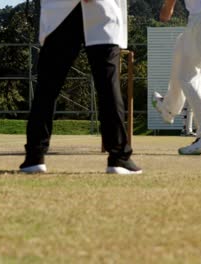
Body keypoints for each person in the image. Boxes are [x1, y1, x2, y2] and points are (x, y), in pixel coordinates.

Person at [20, 0, 142, 174]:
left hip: (60, 11)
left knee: (47, 88)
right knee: (108, 86)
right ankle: (118, 157)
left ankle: (34, 157)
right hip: (102, 10)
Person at [151, 0, 201, 155]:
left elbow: (167, 11)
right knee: (181, 46)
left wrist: (167, 9)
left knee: (189, 77)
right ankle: (168, 108)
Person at [179, 56, 201, 137]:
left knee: (187, 110)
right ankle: (188, 131)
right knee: (189, 109)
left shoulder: (199, 70)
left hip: (189, 89)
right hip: (189, 89)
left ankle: (185, 130)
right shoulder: (195, 68)